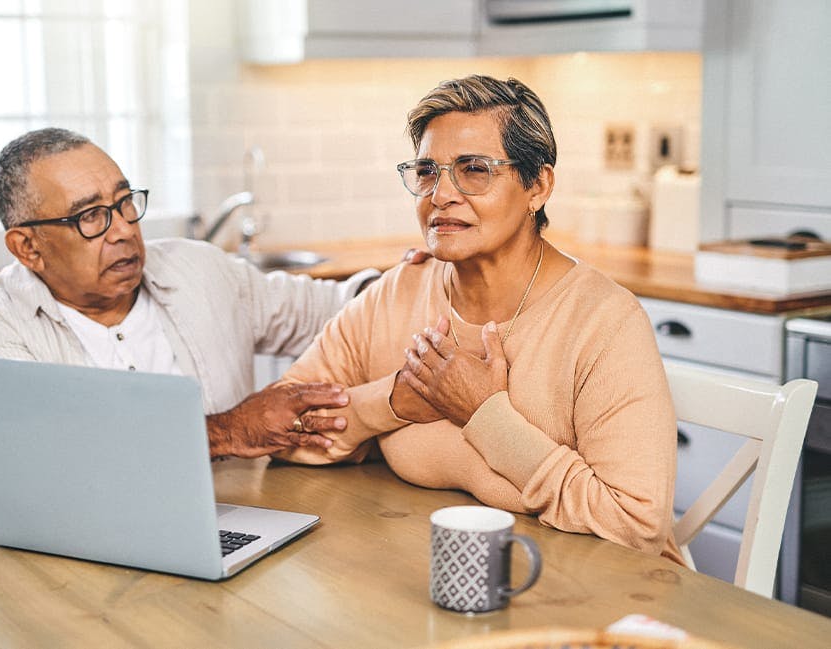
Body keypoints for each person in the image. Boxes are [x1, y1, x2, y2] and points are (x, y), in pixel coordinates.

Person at [275, 75, 684, 563]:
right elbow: (279, 430)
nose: (441, 194)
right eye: (428, 171)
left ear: (538, 185)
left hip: (597, 603)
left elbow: (635, 527)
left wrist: (482, 413)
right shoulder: (399, 293)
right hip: (437, 575)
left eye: (474, 170)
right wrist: (394, 401)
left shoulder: (605, 323)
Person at [0, 127, 404, 459]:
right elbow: (51, 447)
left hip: (238, 520)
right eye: (90, 217)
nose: (124, 229)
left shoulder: (196, 268)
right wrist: (228, 431)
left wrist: (409, 281)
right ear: (28, 247)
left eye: (125, 202)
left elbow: (332, 309)